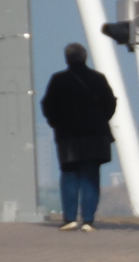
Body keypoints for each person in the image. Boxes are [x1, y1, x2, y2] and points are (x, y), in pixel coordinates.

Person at [40, 43, 117, 231]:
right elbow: (110, 103)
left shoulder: (58, 80)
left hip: (68, 136)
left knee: (69, 175)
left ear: (67, 59)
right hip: (95, 135)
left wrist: (57, 123)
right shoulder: (98, 79)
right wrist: (99, 120)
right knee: (90, 176)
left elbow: (48, 105)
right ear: (85, 57)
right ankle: (88, 220)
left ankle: (69, 219)